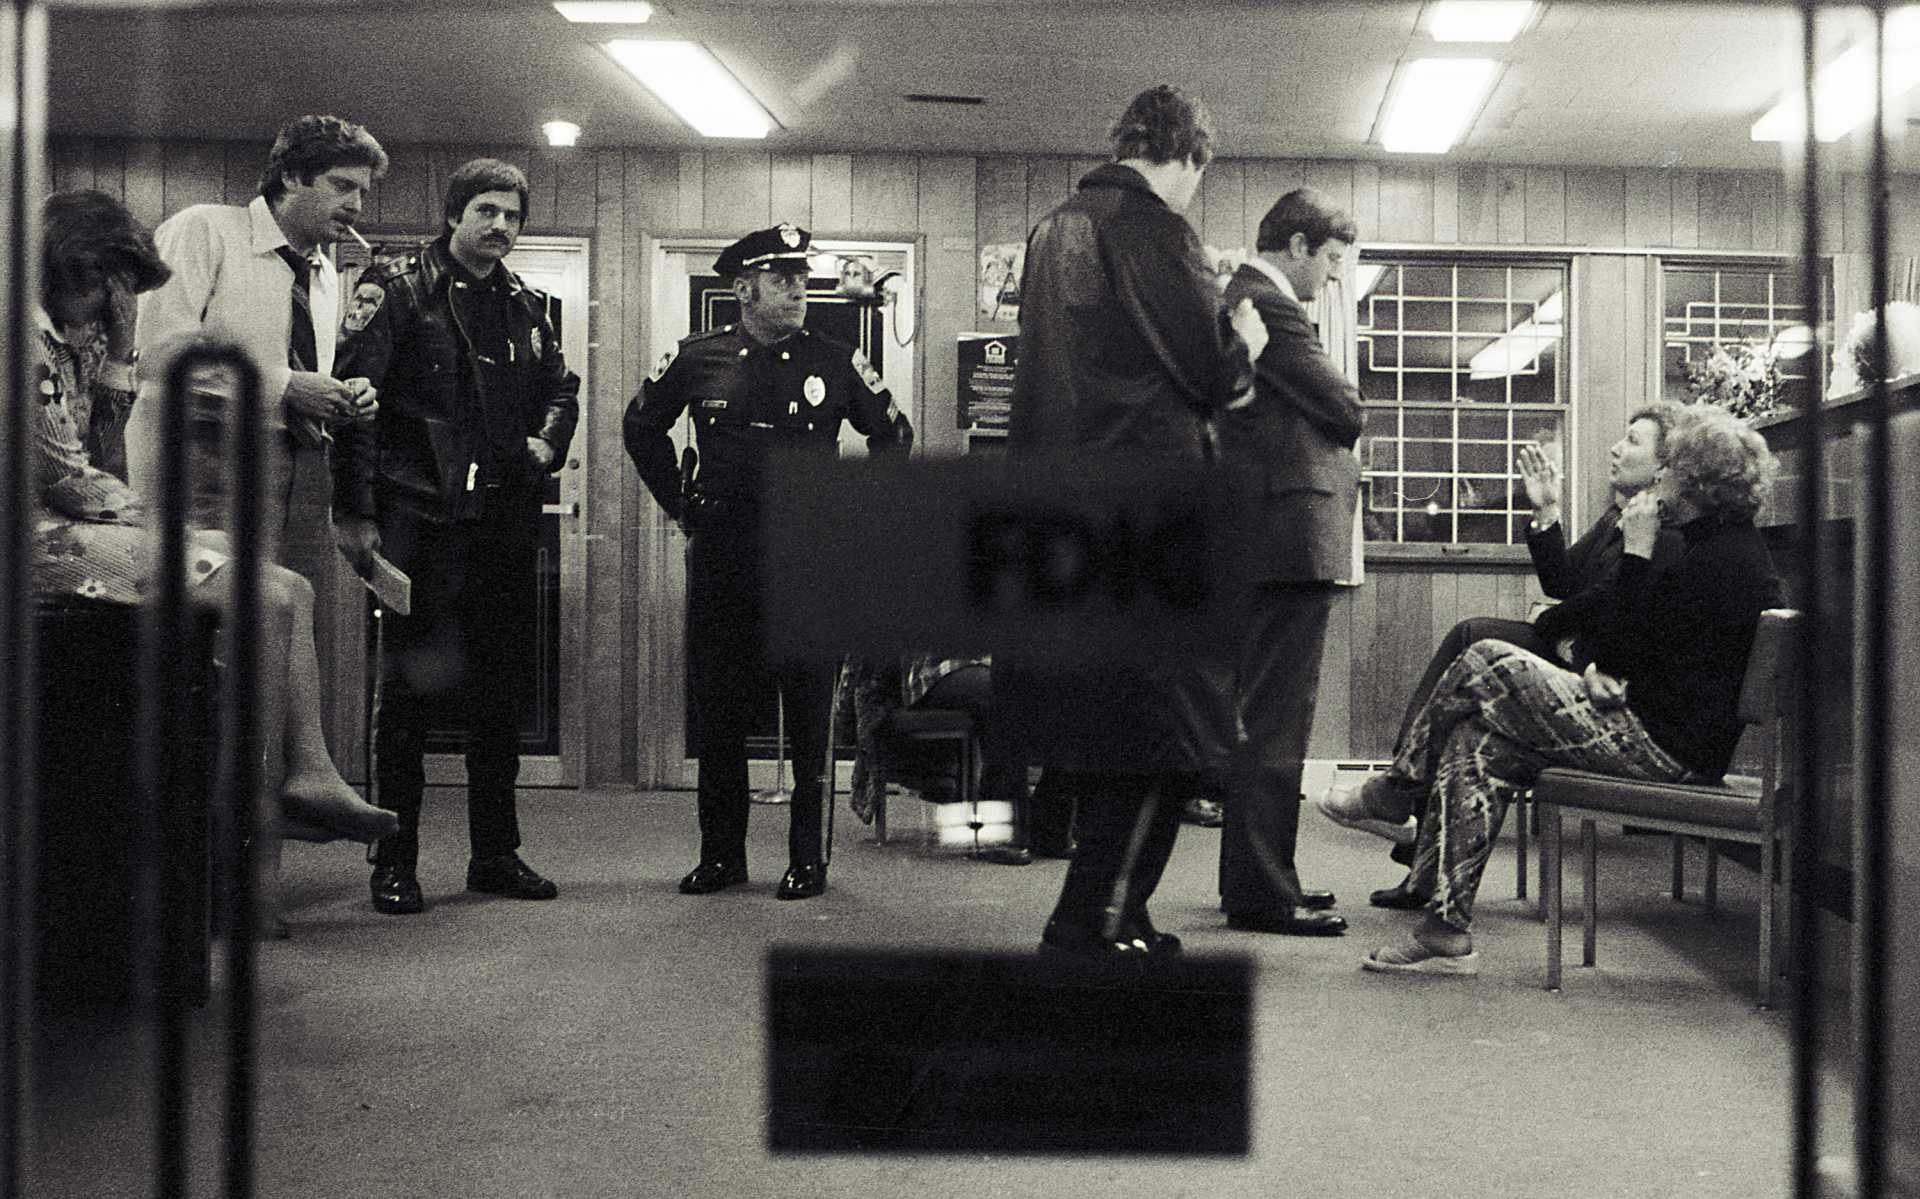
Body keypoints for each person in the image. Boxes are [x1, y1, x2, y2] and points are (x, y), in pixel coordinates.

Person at [1322, 404, 1781, 975]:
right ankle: (1445, 931)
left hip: (1669, 752)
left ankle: (1396, 790)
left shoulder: (1720, 559)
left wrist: (1636, 556)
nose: (1661, 475)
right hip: (1650, 727)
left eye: (1671, 468)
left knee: (1486, 656)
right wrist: (1602, 666)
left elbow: (1622, 649)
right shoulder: (1711, 545)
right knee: (1475, 743)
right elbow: (1631, 648)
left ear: (1696, 483)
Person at [31, 190, 396, 850]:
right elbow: (66, 479)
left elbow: (100, 454)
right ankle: (262, 792)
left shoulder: (74, 340)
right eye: (108, 291)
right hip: (31, 540)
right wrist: (156, 525)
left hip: (68, 525)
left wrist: (116, 350)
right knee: (263, 593)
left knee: (290, 587)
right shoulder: (22, 342)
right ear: (73, 269)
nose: (113, 310)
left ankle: (306, 773)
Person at [1002, 83, 1268, 959]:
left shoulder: (1052, 229)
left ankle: (1120, 911)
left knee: (1110, 733)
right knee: (1169, 734)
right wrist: (1246, 339)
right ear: (1188, 154)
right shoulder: (1155, 229)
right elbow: (1210, 373)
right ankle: (1091, 923)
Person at [624, 223, 913, 901]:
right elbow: (640, 426)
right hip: (723, 553)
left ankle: (808, 859)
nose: (797, 289)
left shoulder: (836, 359)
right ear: (744, 289)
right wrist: (679, 503)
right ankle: (721, 855)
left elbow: (892, 435)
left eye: (801, 278)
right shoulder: (699, 357)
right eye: (782, 279)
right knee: (720, 712)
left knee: (810, 717)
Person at [332, 158, 580, 915]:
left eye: (512, 215)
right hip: (420, 518)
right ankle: (394, 858)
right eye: (487, 211)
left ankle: (494, 853)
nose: (501, 226)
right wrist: (356, 511)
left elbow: (561, 388)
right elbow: (354, 405)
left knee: (499, 693)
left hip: (504, 520)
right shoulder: (398, 288)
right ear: (453, 215)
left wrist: (547, 442)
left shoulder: (524, 304)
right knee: (408, 696)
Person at [1211, 187, 1364, 937]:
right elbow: (1346, 407)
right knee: (1275, 722)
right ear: (1297, 245)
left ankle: (1261, 880)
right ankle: (1263, 893)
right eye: (1331, 258)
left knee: (1263, 718)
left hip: (1266, 537)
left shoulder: (1251, 300)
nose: (1334, 274)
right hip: (1284, 539)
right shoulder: (1268, 303)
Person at [131, 114, 387, 561]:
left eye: (363, 192)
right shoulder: (204, 229)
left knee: (281, 593)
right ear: (291, 176)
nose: (356, 205)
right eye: (342, 185)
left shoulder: (325, 275)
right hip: (199, 453)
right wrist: (287, 386)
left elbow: (301, 376)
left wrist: (343, 399)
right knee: (208, 596)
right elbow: (159, 353)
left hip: (295, 467)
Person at [840, 655, 1074, 864]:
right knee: (1005, 695)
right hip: (943, 667)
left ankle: (1050, 828)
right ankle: (996, 832)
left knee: (1071, 691)